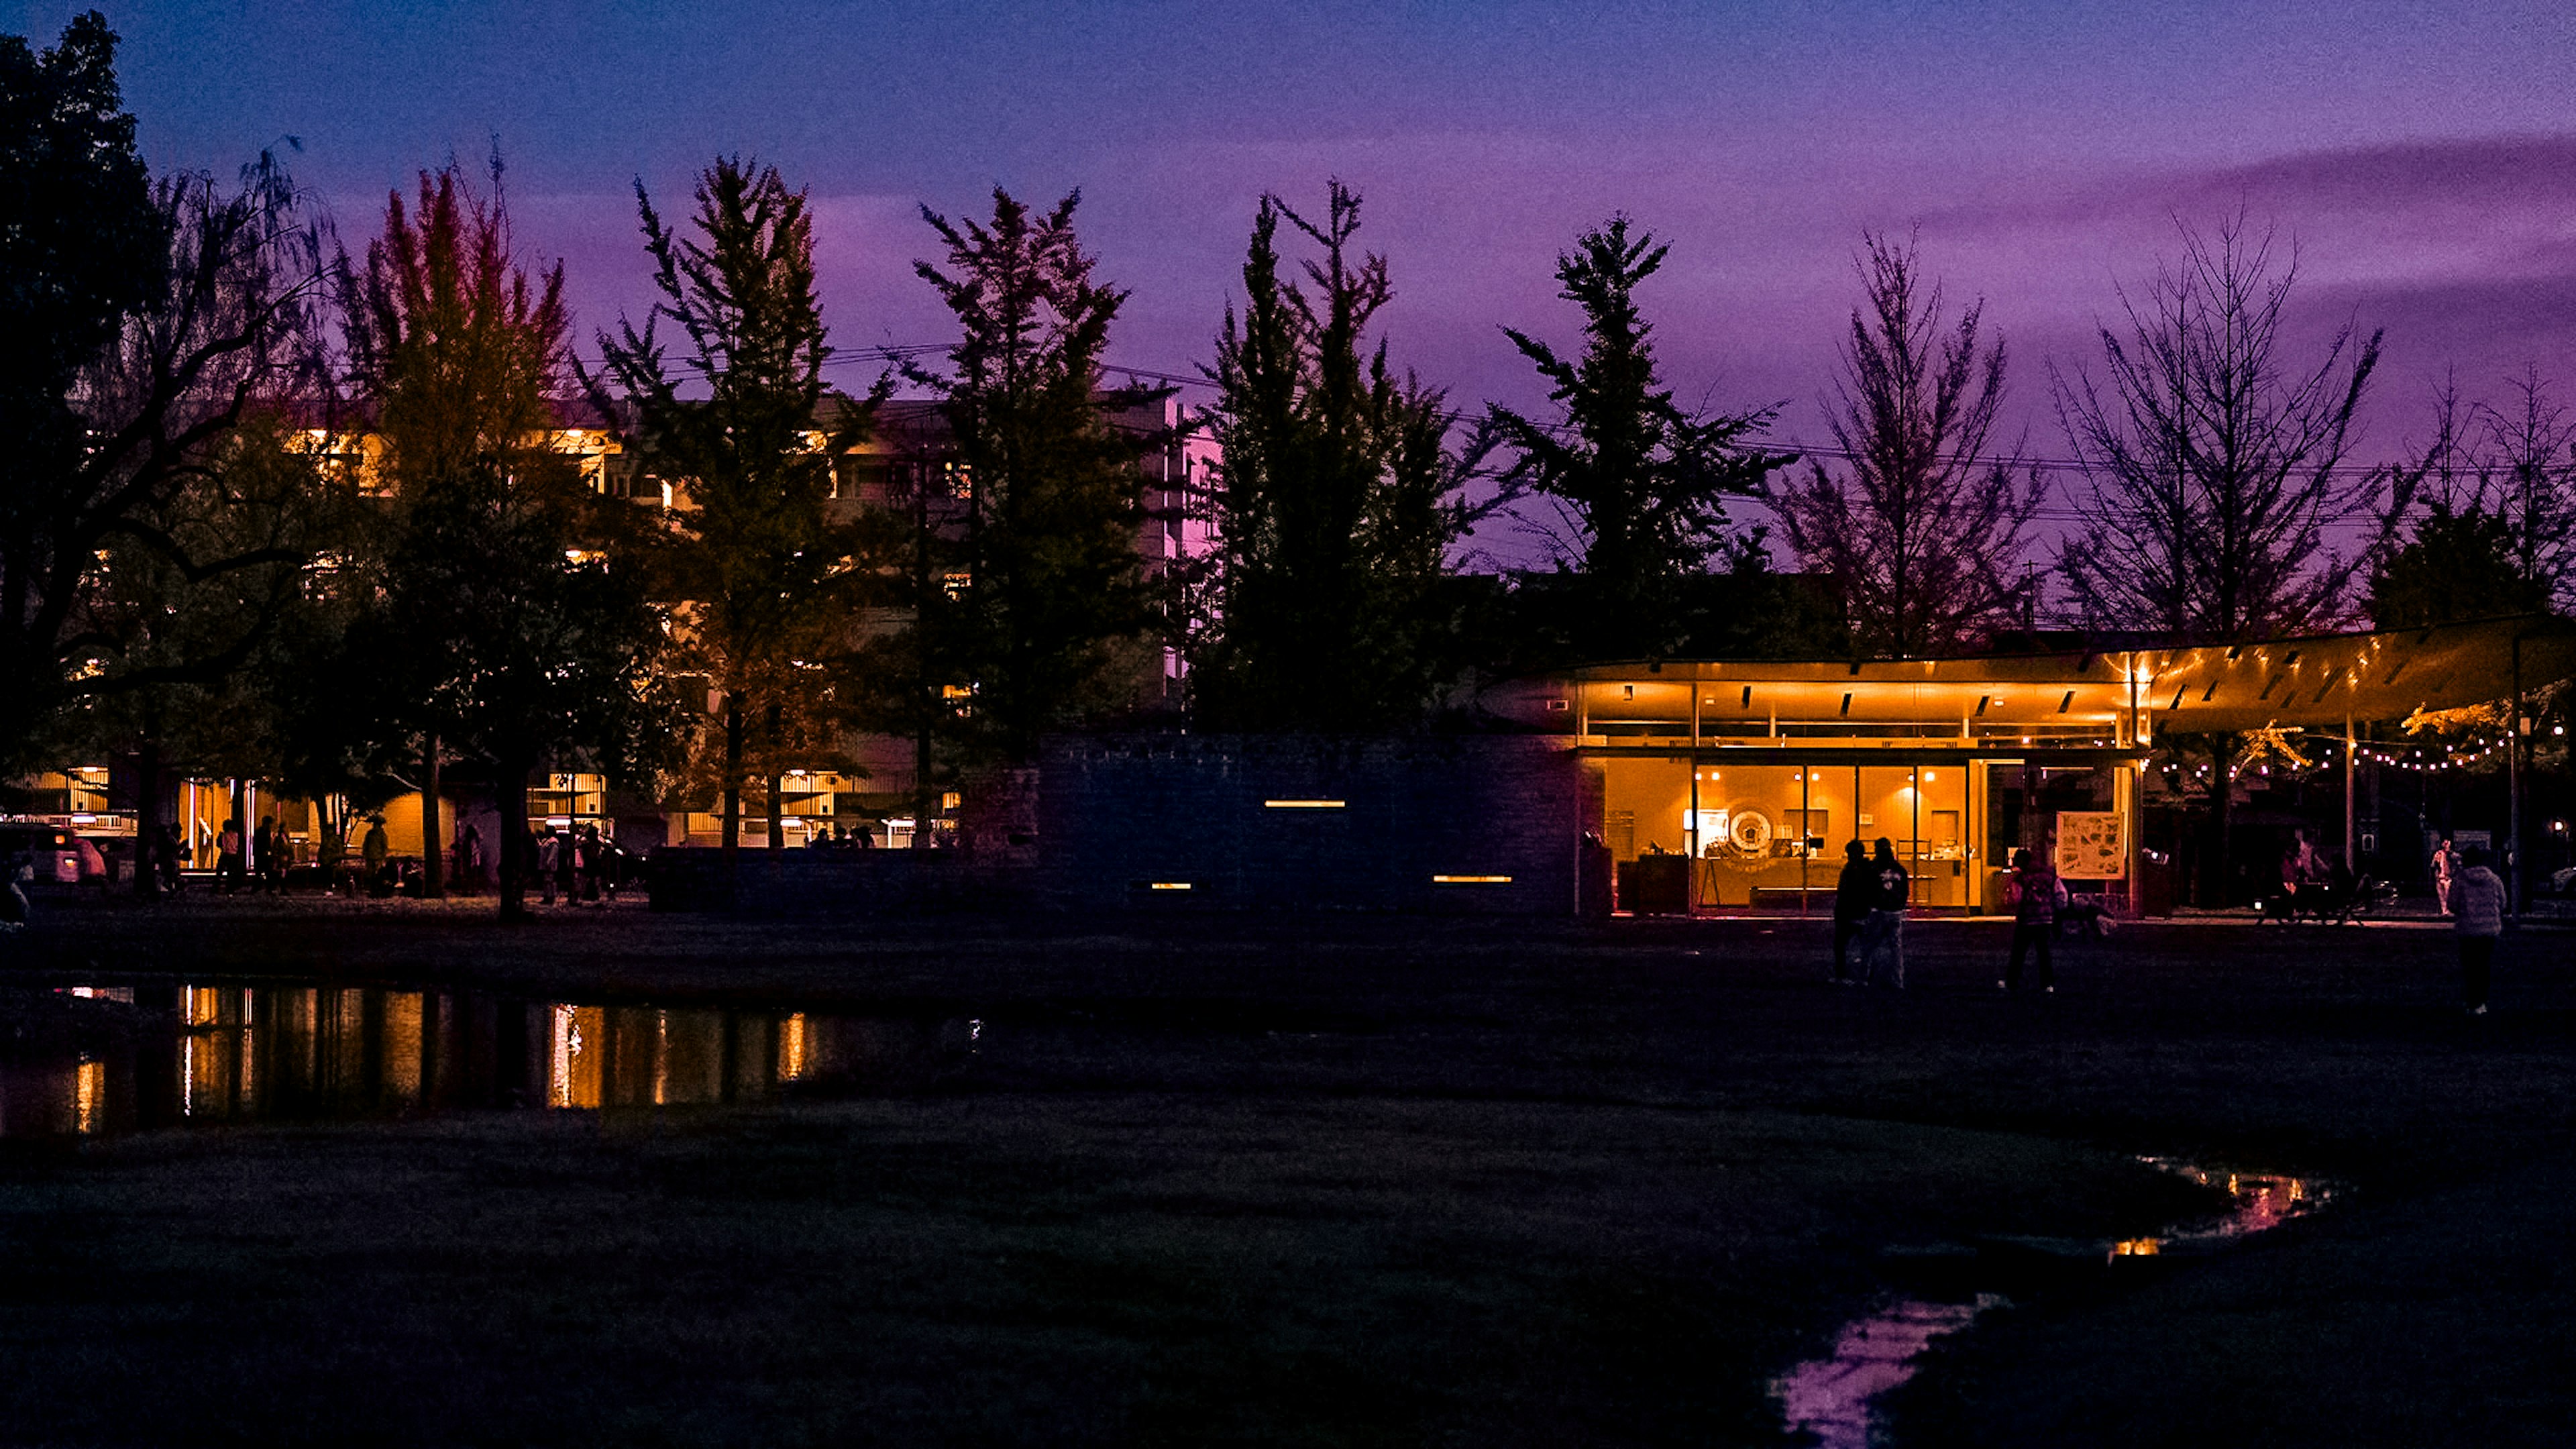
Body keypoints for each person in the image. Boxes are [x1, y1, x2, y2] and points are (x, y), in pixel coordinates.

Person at [2451, 845, 2508, 1015]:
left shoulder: (2460, 880)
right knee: (2484, 966)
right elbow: (2503, 903)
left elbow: (2453, 905)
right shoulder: (2495, 880)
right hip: (2489, 929)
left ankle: (2471, 1001)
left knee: (2470, 967)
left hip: (2467, 929)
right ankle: (2482, 1002)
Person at [2001, 848, 2063, 993]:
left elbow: (2016, 899)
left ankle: (2012, 982)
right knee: (2044, 953)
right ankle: (2048, 984)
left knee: (2019, 953)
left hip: (2027, 919)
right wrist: (2056, 910)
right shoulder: (2050, 875)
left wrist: (2007, 896)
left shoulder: (2021, 878)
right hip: (2046, 919)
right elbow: (2061, 895)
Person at [1858, 837, 1911, 989]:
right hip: (1895, 912)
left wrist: (1870, 905)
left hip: (1878, 911)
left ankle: (1864, 978)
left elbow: (1867, 888)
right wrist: (1900, 905)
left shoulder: (1873, 867)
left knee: (1869, 947)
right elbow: (1905, 891)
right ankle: (1898, 980)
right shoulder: (1899, 869)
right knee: (1896, 948)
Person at [1830, 839, 1872, 985]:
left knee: (1841, 945)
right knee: (1865, 946)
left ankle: (1843, 976)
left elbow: (1846, 892)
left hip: (1850, 913)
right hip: (1861, 912)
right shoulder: (1867, 868)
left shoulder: (1852, 869)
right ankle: (1865, 977)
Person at [215, 817, 244, 894]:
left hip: (225, 855)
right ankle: (230, 888)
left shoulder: (224, 835)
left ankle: (217, 886)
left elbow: (219, 844)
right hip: (234, 855)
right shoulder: (237, 835)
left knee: (220, 871)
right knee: (231, 873)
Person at [2431, 838, 2458, 916]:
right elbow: (2434, 865)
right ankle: (2444, 911)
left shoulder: (2452, 855)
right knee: (2441, 896)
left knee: (2448, 895)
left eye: (2448, 844)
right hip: (2440, 877)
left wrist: (2452, 875)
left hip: (2448, 877)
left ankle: (2449, 910)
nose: (2446, 846)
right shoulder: (2438, 854)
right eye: (2445, 844)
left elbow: (2456, 865)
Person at [535, 825, 561, 905]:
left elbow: (553, 853)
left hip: (550, 865)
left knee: (549, 881)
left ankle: (551, 897)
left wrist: (549, 861)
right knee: (546, 881)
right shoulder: (548, 841)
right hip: (545, 864)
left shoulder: (554, 842)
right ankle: (547, 896)